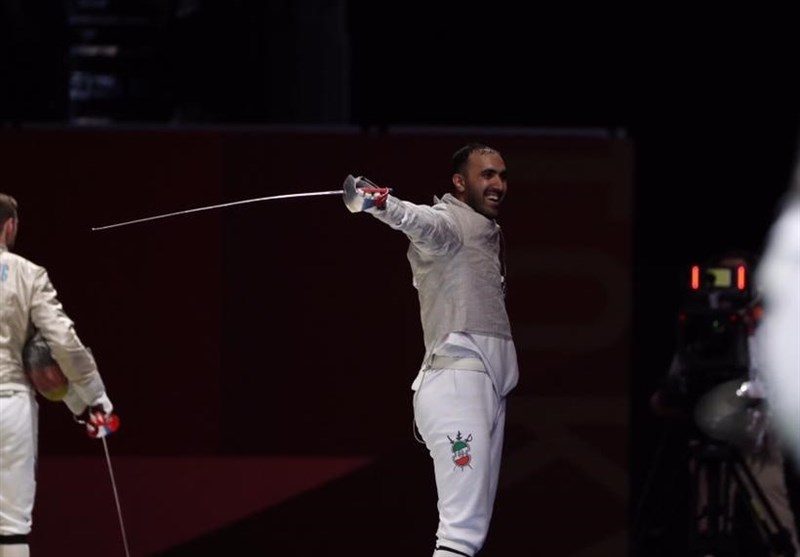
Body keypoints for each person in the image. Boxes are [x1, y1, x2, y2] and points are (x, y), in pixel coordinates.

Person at [343, 143, 519, 557]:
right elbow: (418, 221)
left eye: (501, 175)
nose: (497, 184)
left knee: (470, 533)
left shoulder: (484, 232)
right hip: (458, 385)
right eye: (486, 175)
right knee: (460, 534)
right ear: (459, 182)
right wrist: (379, 203)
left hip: (484, 389)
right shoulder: (449, 222)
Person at [649, 252, 799, 555]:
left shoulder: (768, 328)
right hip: (710, 432)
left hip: (757, 439)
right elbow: (680, 375)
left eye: (737, 278)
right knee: (708, 517)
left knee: (774, 512)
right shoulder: (700, 326)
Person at [0, 193, 118, 557]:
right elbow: (63, 342)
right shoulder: (27, 274)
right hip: (8, 405)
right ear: (9, 226)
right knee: (10, 528)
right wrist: (93, 399)